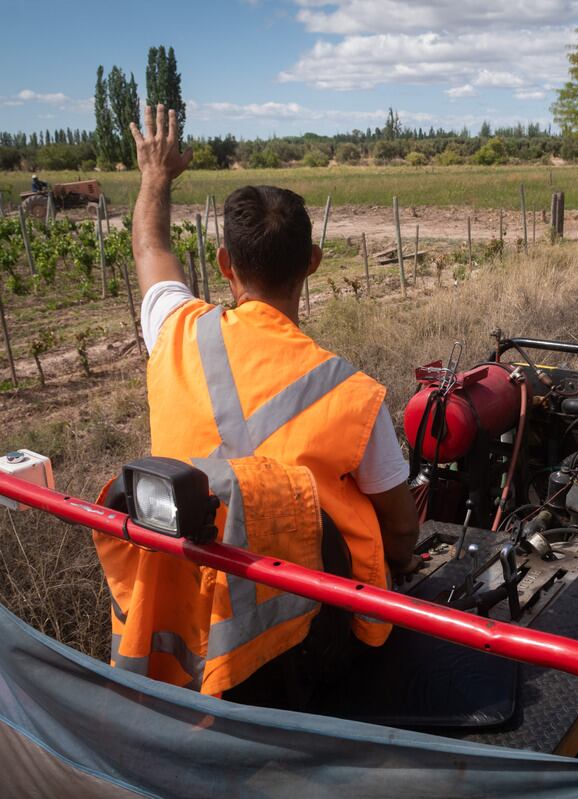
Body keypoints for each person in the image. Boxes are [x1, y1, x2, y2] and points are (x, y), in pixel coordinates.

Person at [96, 105, 421, 704]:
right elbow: (400, 532)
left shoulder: (174, 333)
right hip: (305, 649)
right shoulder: (354, 395)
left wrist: (155, 177)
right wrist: (405, 562)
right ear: (313, 265)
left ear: (224, 266)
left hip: (188, 617)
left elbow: (150, 250)